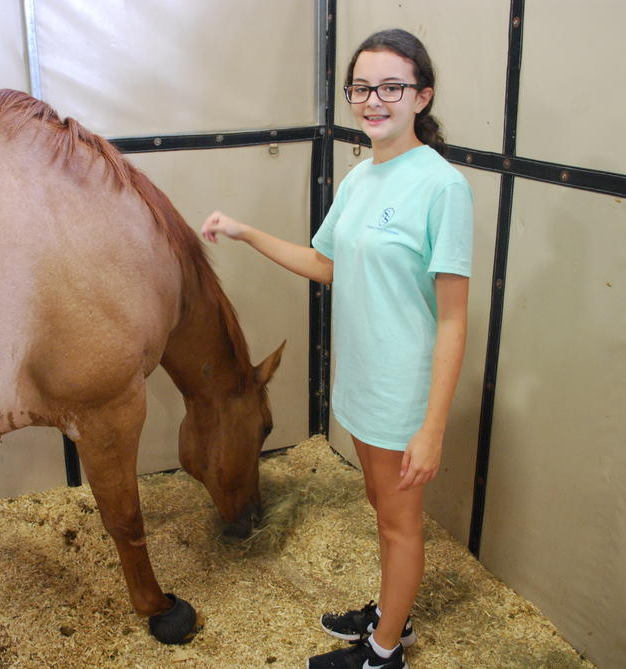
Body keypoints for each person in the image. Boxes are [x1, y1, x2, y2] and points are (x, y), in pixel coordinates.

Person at [201, 28, 472, 669]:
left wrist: (432, 427)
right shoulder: (359, 179)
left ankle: (383, 653)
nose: (373, 100)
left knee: (399, 523)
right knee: (383, 509)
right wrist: (244, 232)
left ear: (421, 96)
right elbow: (326, 264)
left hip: (405, 391)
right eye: (361, 88)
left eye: (391, 87)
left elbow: (455, 321)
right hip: (363, 381)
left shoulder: (441, 188)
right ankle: (392, 616)